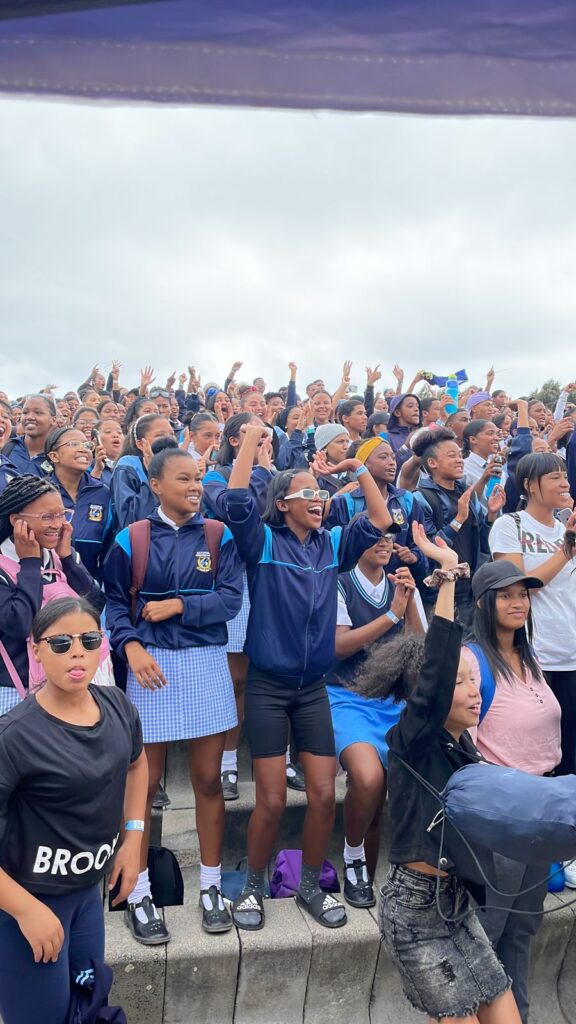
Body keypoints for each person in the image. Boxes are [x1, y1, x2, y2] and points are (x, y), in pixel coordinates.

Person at [222, 423, 394, 931]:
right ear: (282, 504)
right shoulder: (264, 543)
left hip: (315, 689)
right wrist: (252, 438)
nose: (317, 500)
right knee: (272, 799)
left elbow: (380, 517)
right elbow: (235, 497)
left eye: (320, 494)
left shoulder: (332, 544)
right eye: (307, 494)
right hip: (270, 689)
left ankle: (309, 887)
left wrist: (356, 468)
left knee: (322, 795)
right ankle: (253, 887)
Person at [366, 523, 522, 1024]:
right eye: (461, 682)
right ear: (427, 698)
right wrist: (449, 574)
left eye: (476, 680)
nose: (475, 692)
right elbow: (433, 672)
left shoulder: (465, 746)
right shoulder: (410, 740)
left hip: (456, 906)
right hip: (414, 914)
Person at [104, 444, 243, 942]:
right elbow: (115, 607)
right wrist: (133, 646)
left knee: (208, 781)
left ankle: (210, 885)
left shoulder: (218, 534)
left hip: (205, 665)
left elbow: (230, 600)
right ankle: (136, 891)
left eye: (199, 478)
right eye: (182, 479)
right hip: (150, 669)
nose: (193, 487)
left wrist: (180, 605)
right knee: (144, 782)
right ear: (156, 485)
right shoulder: (131, 538)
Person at [0, 597, 148, 1024]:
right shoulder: (14, 737)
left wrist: (133, 838)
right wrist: (25, 910)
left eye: (89, 639)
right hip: (28, 902)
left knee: (87, 1011)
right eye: (61, 642)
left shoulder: (118, 706)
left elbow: (138, 764)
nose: (77, 652)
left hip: (86, 896)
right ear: (36, 650)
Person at [462, 560, 560, 1023]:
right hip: (500, 812)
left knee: (522, 927)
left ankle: (516, 1014)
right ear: (483, 603)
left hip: (537, 805)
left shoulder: (530, 653)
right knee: (489, 927)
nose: (519, 602)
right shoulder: (472, 659)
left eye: (523, 594)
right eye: (506, 595)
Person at [326, 534, 423, 908]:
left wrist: (409, 601)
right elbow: (341, 645)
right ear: (355, 542)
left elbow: (415, 645)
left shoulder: (398, 585)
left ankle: (366, 869)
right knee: (368, 779)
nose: (384, 543)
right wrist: (392, 615)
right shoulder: (340, 583)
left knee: (384, 790)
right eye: (373, 537)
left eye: (388, 538)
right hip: (347, 697)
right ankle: (352, 856)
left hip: (392, 700)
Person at [488, 452, 576, 776]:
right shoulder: (509, 525)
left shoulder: (568, 525)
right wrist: (566, 550)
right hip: (536, 655)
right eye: (554, 476)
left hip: (572, 650)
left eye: (565, 475)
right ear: (529, 485)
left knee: (571, 753)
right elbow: (517, 585)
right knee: (537, 754)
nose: (564, 482)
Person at [202, 413, 275, 799]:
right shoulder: (215, 479)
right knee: (234, 680)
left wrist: (269, 470)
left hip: (270, 581)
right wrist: (262, 469)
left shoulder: (279, 474)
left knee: (263, 677)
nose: (267, 441)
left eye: (268, 436)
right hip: (232, 582)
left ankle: (277, 758)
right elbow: (240, 508)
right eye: (256, 435)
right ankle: (226, 763)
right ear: (236, 440)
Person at [0, 476, 108, 714]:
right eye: (47, 517)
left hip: (65, 687)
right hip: (16, 691)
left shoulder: (58, 557)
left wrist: (68, 559)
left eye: (62, 514)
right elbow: (19, 624)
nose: (57, 524)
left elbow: (94, 605)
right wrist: (29, 562)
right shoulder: (4, 567)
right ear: (17, 521)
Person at [411, 428, 506, 625]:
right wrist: (458, 519)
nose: (459, 460)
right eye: (451, 455)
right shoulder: (421, 498)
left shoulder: (466, 492)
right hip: (443, 590)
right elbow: (429, 547)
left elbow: (482, 538)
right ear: (432, 463)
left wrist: (491, 514)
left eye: (460, 455)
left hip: (472, 588)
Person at [44, 427, 112, 579]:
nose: (83, 449)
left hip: (89, 586)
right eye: (74, 444)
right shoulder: (40, 492)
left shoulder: (103, 493)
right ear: (54, 456)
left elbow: (109, 549)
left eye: (87, 445)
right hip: (47, 585)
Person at [110, 415, 174, 532]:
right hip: (141, 543)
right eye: (160, 435)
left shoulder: (178, 467)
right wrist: (153, 472)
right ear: (140, 444)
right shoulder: (128, 466)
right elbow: (131, 520)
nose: (168, 439)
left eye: (172, 434)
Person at [0, 394, 56, 488]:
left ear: (53, 420)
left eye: (38, 413)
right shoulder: (8, 446)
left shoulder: (58, 456)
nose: (29, 417)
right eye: (25, 412)